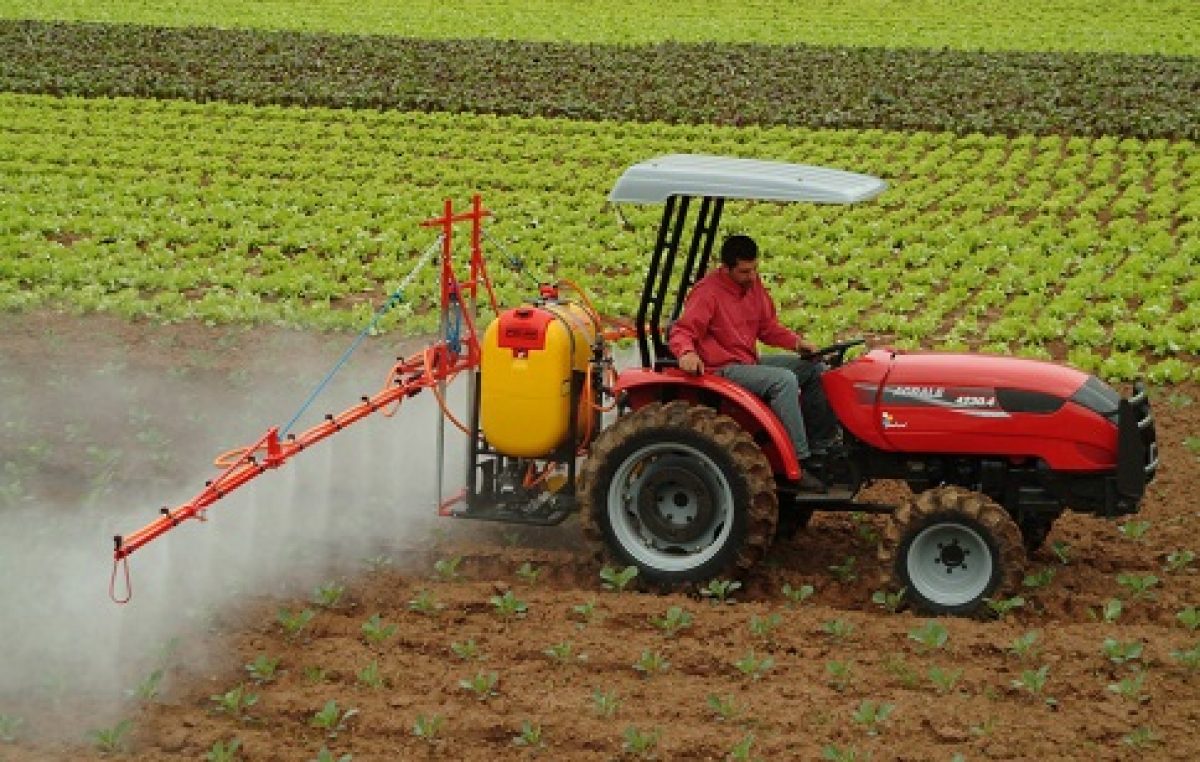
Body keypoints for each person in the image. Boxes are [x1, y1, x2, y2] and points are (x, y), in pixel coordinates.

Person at [668, 234, 840, 492]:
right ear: (725, 268)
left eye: (754, 269)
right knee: (784, 380)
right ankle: (798, 462)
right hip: (723, 368)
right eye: (744, 271)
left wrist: (796, 343)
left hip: (748, 360)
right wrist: (686, 354)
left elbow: (767, 327)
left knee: (813, 367)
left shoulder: (752, 286)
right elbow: (683, 331)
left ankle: (821, 445)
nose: (751, 276)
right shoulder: (707, 293)